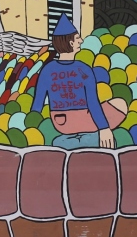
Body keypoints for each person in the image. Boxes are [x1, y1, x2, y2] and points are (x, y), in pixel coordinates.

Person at [31, 14, 127, 150]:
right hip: (83, 118)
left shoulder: (47, 69)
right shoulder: (83, 69)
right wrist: (104, 128)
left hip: (60, 123)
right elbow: (93, 103)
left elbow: (37, 104)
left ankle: (78, 138)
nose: (81, 41)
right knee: (120, 104)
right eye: (77, 38)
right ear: (70, 43)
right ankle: (89, 136)